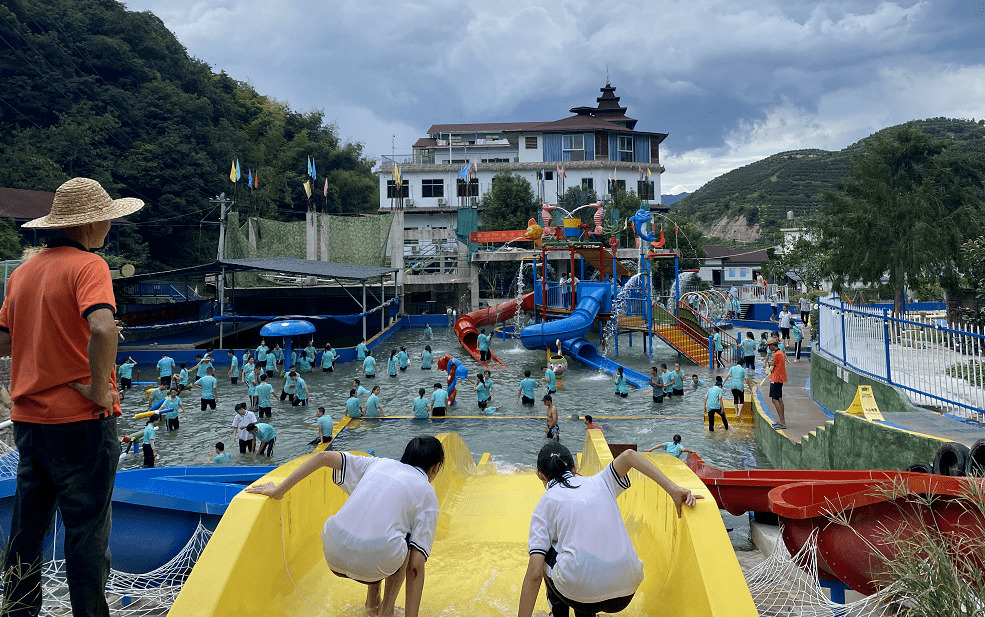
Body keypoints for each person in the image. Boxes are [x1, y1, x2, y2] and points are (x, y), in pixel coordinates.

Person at [245, 437, 444, 617]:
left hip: (333, 553)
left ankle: (372, 604)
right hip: (374, 563)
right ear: (435, 468)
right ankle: (386, 611)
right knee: (405, 541)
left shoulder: (378, 463)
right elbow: (416, 565)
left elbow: (322, 457)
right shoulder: (426, 492)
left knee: (384, 529)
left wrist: (278, 491)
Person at [518, 442, 700, 617]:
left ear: (540, 475)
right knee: (575, 555)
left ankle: (558, 614)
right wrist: (673, 489)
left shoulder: (544, 505)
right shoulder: (602, 481)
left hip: (580, 597)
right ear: (574, 468)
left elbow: (534, 575)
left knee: (544, 551)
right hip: (626, 591)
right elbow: (629, 455)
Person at [766, 336, 787, 429]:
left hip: (776, 378)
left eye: (768, 346)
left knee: (774, 399)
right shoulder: (780, 352)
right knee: (779, 399)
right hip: (780, 378)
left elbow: (771, 365)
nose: (768, 348)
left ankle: (782, 422)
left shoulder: (776, 354)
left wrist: (769, 364)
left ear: (772, 345)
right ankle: (782, 421)